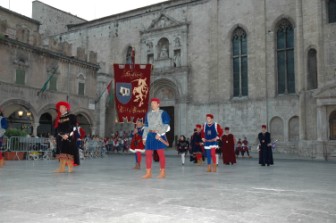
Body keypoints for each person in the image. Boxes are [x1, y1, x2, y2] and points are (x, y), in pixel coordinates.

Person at [142, 98, 170, 179]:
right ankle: (148, 172)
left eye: (154, 103)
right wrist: (144, 137)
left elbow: (166, 125)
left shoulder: (163, 113)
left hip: (159, 135)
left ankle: (162, 172)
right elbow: (146, 126)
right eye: (151, 103)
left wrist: (159, 133)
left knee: (160, 154)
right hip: (150, 135)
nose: (152, 104)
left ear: (158, 104)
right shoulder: (148, 114)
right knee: (148, 154)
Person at [54, 101, 78, 173]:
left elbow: (74, 127)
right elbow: (56, 129)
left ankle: (70, 168)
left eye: (62, 107)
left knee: (69, 153)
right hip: (60, 137)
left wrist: (68, 135)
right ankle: (62, 168)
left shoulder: (72, 116)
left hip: (69, 137)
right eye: (59, 108)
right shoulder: (58, 118)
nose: (60, 109)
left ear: (66, 108)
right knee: (61, 154)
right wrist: (58, 135)